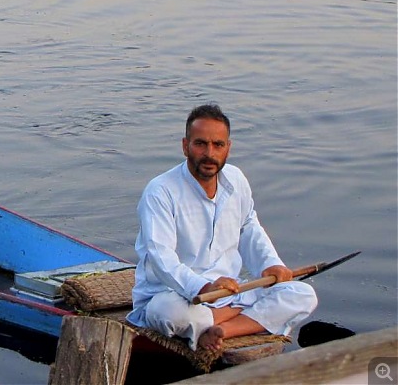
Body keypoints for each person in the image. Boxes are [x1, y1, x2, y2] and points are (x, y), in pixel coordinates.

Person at [126, 104, 317, 352]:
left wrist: (270, 264)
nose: (209, 153)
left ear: (228, 147)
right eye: (200, 144)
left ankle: (221, 330)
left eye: (218, 145)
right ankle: (237, 316)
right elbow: (161, 258)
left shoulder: (236, 180)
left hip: (231, 290)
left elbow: (248, 226)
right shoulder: (160, 191)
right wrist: (204, 288)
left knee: (303, 294)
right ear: (185, 146)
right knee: (170, 314)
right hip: (177, 294)